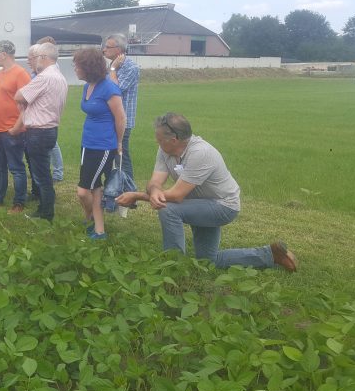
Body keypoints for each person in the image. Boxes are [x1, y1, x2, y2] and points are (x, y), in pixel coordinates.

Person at [115, 112, 298, 271]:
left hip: (223, 206)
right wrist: (154, 191)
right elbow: (155, 182)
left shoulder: (200, 153)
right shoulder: (165, 150)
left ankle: (173, 266)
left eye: (159, 139)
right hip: (200, 203)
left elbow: (177, 196)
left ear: (174, 139)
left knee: (168, 209)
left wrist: (138, 196)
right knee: (208, 260)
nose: (156, 141)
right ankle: (271, 256)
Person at [73, 48, 126, 240]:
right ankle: (99, 230)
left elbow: (120, 119)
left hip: (104, 146)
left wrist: (118, 143)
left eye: (77, 65)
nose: (75, 69)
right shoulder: (87, 86)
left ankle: (89, 217)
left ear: (88, 67)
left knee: (83, 191)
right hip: (88, 143)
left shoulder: (110, 88)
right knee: (94, 188)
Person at [12, 42, 68, 221]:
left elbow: (19, 96)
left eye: (35, 57)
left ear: (43, 58)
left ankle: (45, 212)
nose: (33, 62)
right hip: (50, 129)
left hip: (39, 131)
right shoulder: (59, 76)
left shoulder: (44, 77)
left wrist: (24, 107)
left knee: (41, 175)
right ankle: (45, 207)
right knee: (43, 172)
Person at [0, 40, 32, 214]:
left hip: (11, 129)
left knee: (16, 168)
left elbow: (27, 104)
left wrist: (17, 127)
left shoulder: (21, 74)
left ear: (3, 54)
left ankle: (19, 202)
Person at [103, 34, 140, 190]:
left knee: (121, 157)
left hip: (122, 121)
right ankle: (112, 189)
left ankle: (129, 192)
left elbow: (114, 90)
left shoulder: (131, 67)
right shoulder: (113, 65)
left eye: (107, 47)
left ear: (118, 50)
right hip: (108, 119)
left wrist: (112, 69)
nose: (104, 50)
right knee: (109, 156)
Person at [35, 37, 65, 183]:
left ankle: (58, 173)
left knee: (53, 145)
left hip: (47, 114)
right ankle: (50, 172)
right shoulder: (48, 68)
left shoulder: (52, 69)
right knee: (52, 145)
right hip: (49, 113)